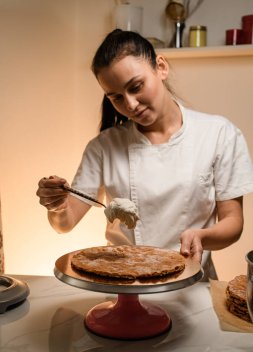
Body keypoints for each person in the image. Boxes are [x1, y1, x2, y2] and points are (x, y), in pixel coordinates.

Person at [36, 29, 253, 280]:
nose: (130, 104)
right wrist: (57, 204)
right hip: (122, 283)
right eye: (116, 97)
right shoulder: (104, 146)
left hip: (192, 285)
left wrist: (201, 236)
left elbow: (233, 222)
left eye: (136, 87)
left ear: (160, 67)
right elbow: (64, 223)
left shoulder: (218, 134)